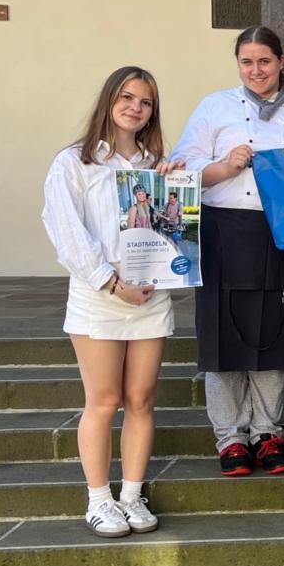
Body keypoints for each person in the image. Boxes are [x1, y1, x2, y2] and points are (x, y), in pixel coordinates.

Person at [171, 26, 284, 477]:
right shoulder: (214, 107)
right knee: (223, 337)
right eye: (247, 62)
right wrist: (223, 166)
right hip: (223, 230)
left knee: (274, 333)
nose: (256, 70)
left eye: (265, 61)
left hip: (282, 235)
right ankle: (231, 438)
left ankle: (268, 431)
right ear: (238, 64)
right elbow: (183, 168)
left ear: (281, 62)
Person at [41, 66, 175, 537]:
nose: (135, 107)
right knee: (103, 400)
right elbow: (67, 234)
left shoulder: (155, 167)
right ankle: (99, 499)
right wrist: (110, 282)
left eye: (146, 101)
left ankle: (132, 495)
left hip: (150, 298)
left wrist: (176, 192)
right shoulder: (73, 163)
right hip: (100, 297)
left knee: (140, 399)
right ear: (109, 100)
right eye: (127, 97)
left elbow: (172, 230)